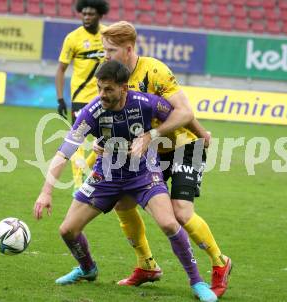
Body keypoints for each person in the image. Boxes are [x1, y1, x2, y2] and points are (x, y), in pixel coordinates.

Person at [33, 60, 218, 302]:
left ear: (124, 88)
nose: (102, 94)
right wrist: (46, 192)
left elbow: (180, 114)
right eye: (99, 88)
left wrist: (200, 134)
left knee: (169, 224)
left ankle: (197, 282)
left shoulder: (145, 103)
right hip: (106, 176)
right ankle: (88, 269)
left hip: (144, 173)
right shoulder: (92, 111)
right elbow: (64, 151)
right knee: (67, 230)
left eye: (108, 89)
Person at [97, 21, 231, 297]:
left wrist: (157, 133)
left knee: (180, 213)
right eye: (104, 50)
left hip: (184, 145)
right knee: (122, 203)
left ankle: (220, 262)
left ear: (128, 49)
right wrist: (103, 144)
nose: (105, 56)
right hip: (150, 151)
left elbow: (184, 112)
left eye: (110, 50)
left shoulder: (154, 70)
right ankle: (146, 265)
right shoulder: (115, 77)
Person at [55, 0, 109, 191]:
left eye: (90, 14)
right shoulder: (72, 38)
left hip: (105, 98)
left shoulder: (108, 36)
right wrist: (60, 98)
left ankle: (87, 170)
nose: (86, 17)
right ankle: (79, 185)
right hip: (80, 98)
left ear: (100, 14)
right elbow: (61, 69)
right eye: (83, 14)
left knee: (107, 140)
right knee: (78, 140)